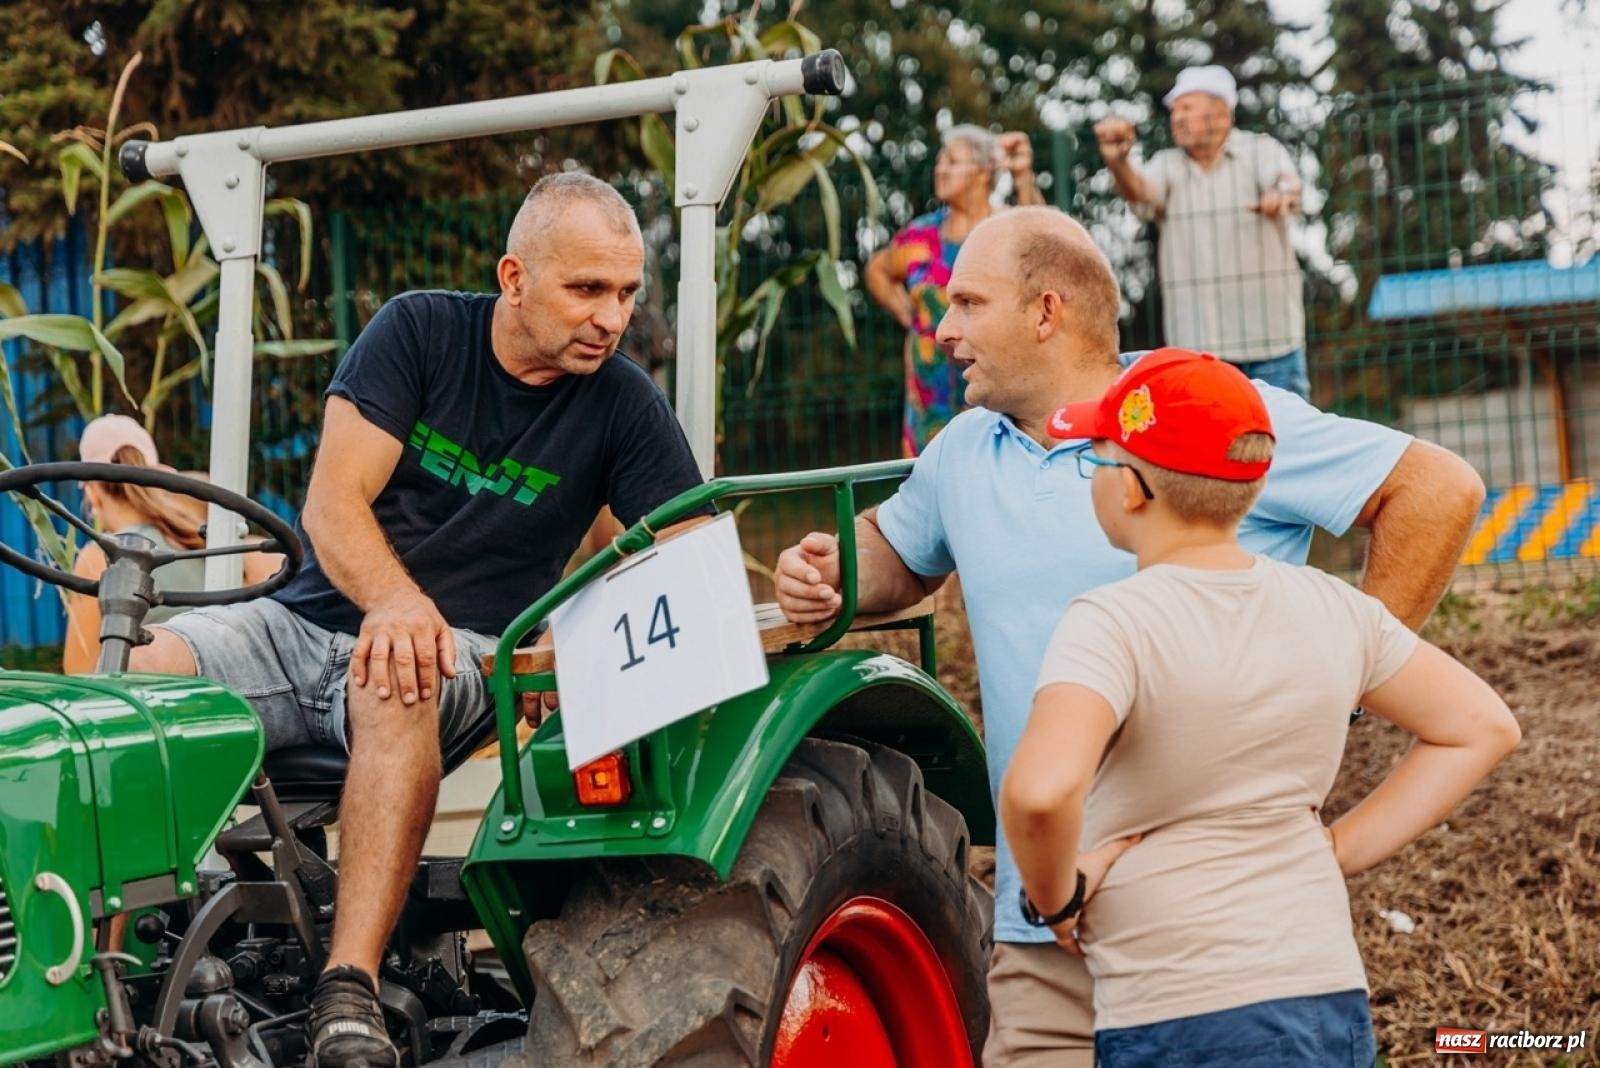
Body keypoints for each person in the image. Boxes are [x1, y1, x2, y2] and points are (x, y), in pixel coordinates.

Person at [774, 206, 1487, 1065]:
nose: (943, 328)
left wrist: (1342, 691)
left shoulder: (1199, 411)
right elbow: (900, 551)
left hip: (1209, 923)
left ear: (1046, 311)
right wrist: (832, 572)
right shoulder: (963, 448)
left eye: (966, 303)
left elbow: (1438, 489)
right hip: (1045, 939)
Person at [127, 173, 711, 1068]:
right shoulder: (421, 330)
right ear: (515, 278)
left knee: (395, 677)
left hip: (469, 652)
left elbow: (689, 552)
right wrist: (396, 600)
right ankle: (119, 956)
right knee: (143, 671)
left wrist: (579, 632)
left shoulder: (621, 404)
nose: (611, 316)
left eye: (626, 293)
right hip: (306, 625)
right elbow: (333, 505)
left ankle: (346, 991)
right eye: (587, 288)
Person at [999, 349, 1518, 1066]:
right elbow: (1482, 727)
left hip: (1178, 1012)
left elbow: (1040, 791)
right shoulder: (1334, 608)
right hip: (1323, 993)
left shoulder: (1110, 622)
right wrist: (1336, 847)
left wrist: (1056, 898)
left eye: (1098, 459)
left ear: (1134, 490)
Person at [1095, 65, 1311, 398]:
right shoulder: (1167, 164)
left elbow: (1287, 184)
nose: (1176, 118)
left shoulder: (1261, 151)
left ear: (1221, 114)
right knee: (1205, 450)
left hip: (1271, 343)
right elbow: (1141, 194)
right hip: (1198, 350)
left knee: (1288, 447)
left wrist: (1281, 196)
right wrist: (1118, 163)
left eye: (1186, 108)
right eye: (1174, 111)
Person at [865, 125, 1046, 455]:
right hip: (930, 396)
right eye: (939, 161)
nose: (941, 168)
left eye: (952, 160)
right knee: (928, 489)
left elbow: (1048, 243)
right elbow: (877, 269)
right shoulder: (920, 237)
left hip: (995, 386)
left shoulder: (1007, 228)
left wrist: (1022, 178)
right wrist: (908, 314)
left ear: (982, 171)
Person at [63, 414, 281, 673]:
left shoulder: (99, 559)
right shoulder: (219, 544)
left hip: (155, 707)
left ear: (92, 493)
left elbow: (80, 675)